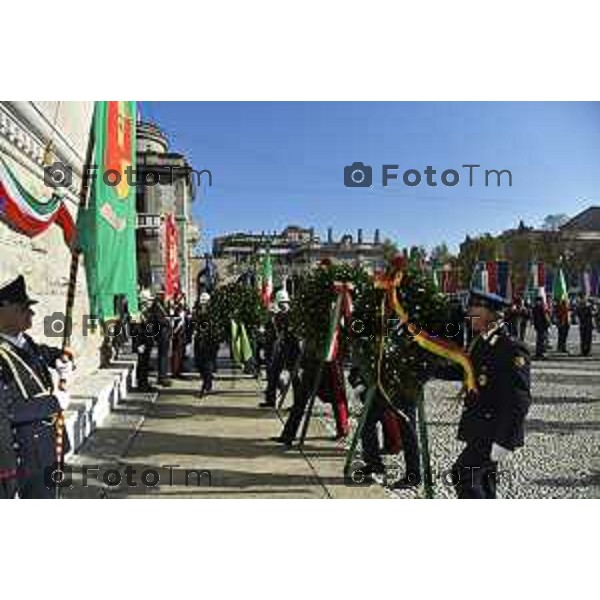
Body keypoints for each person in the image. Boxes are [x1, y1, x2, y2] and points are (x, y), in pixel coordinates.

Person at [435, 289, 531, 499]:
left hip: (494, 429)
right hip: (481, 427)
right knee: (485, 483)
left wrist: (504, 441)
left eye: (474, 309)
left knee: (462, 475)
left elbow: (519, 400)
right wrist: (430, 369)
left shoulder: (510, 348)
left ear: (491, 313)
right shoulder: (482, 341)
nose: (468, 313)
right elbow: (467, 370)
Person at [0, 275, 74, 499]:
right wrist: (53, 403)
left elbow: (41, 353)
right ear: (4, 311)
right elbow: (8, 409)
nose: (31, 314)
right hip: (28, 454)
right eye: (24, 309)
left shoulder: (23, 340)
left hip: (48, 446)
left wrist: (62, 359)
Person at [260, 289, 300, 408]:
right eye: (281, 303)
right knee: (273, 374)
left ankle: (297, 404)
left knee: (295, 378)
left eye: (284, 303)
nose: (283, 305)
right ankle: (270, 400)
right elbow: (272, 332)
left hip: (293, 350)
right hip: (281, 350)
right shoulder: (277, 316)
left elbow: (295, 333)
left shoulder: (294, 315)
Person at [194, 292, 218, 396]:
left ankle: (207, 385)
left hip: (210, 342)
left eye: (205, 303)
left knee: (207, 364)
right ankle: (206, 382)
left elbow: (214, 327)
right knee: (199, 364)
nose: (203, 304)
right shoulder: (197, 311)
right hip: (199, 341)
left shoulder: (213, 312)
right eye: (202, 302)